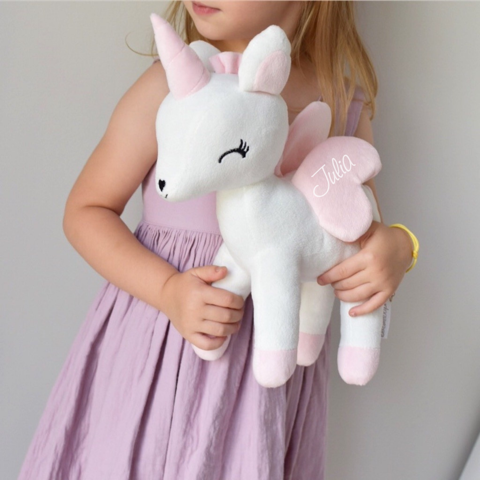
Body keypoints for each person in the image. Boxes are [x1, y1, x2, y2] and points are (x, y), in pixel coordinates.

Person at [17, 2, 417, 479]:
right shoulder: (176, 86)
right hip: (163, 357)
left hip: (264, 383)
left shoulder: (342, 105)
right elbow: (86, 210)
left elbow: (359, 230)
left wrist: (399, 249)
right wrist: (168, 291)